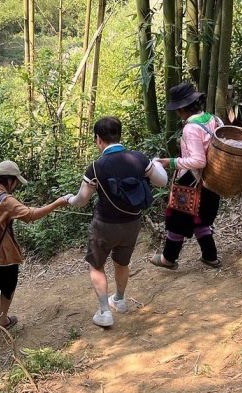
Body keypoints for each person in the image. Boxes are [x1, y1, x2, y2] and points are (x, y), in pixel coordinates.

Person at [63, 117, 168, 327]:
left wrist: (68, 199)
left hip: (104, 225)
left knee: (96, 265)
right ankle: (119, 300)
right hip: (132, 224)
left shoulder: (96, 167)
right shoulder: (139, 159)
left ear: (98, 139)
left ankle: (104, 312)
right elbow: (162, 181)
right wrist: (155, 163)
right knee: (122, 263)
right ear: (119, 135)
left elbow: (81, 201)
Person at [0, 160, 67, 329]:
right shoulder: (6, 200)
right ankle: (2, 320)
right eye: (15, 181)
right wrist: (57, 203)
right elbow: (30, 215)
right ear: (9, 180)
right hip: (3, 255)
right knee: (7, 287)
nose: (15, 185)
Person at [151, 82, 224, 269]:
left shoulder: (191, 128)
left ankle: (168, 258)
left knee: (177, 220)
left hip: (191, 181)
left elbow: (199, 160)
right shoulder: (212, 118)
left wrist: (172, 162)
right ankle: (211, 257)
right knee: (200, 219)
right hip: (211, 180)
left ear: (182, 108)